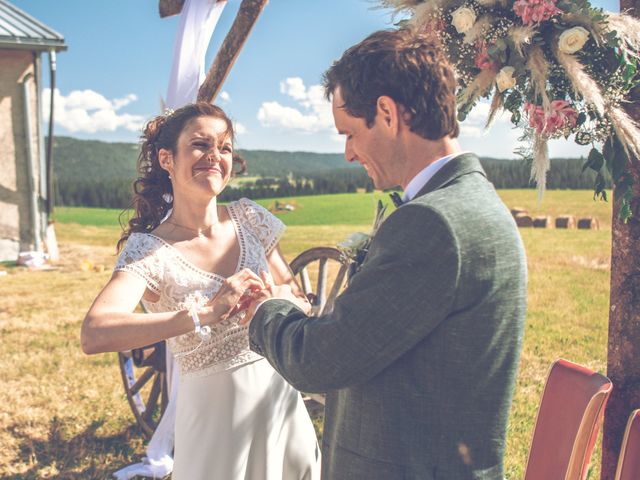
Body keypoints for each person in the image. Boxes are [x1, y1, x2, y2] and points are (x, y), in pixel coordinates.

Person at [240, 29, 527, 479]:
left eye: (351, 133)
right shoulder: (471, 200)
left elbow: (322, 360)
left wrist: (266, 308)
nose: (349, 153)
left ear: (388, 113)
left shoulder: (432, 223)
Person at [81, 103, 320, 480]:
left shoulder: (251, 219)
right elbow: (95, 332)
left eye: (224, 148)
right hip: (214, 427)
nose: (214, 156)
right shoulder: (150, 250)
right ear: (166, 159)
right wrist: (205, 313)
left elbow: (299, 300)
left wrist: (272, 301)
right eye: (199, 145)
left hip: (281, 408)